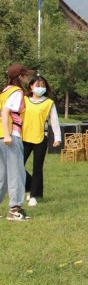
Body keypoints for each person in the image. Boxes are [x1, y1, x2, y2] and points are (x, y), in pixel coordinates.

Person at [0, 64, 33, 221]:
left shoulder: (4, 91)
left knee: (3, 174)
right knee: (16, 173)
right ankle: (15, 210)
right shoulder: (17, 92)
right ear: (20, 76)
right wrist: (8, 135)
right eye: (26, 75)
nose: (28, 77)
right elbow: (6, 112)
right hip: (10, 135)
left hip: (1, 135)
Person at [22, 75, 61, 207]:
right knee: (17, 165)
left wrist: (57, 137)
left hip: (40, 138)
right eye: (37, 85)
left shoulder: (48, 103)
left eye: (43, 86)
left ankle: (34, 195)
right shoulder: (24, 100)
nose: (40, 88)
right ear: (31, 86)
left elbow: (54, 120)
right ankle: (31, 185)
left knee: (37, 168)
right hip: (24, 138)